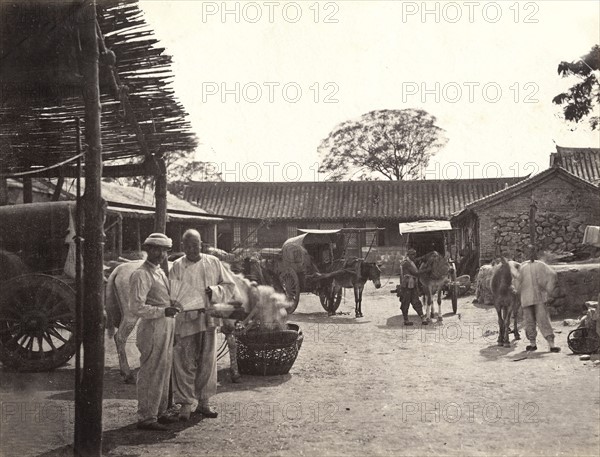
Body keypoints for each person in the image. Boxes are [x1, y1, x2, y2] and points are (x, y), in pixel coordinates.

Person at [170, 229, 237, 421]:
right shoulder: (176, 266)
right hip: (185, 320)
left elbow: (229, 286)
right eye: (187, 245)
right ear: (182, 247)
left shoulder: (213, 262)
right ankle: (185, 404)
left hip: (208, 319)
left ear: (201, 244)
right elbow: (172, 293)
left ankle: (204, 403)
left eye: (195, 245)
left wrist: (214, 291)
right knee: (184, 361)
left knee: (207, 360)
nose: (192, 249)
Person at [129, 233, 182, 431]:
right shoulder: (141, 274)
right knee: (151, 370)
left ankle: (158, 412)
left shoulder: (158, 272)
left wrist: (171, 305)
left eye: (164, 250)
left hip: (166, 324)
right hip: (151, 327)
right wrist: (162, 310)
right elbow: (136, 307)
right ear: (148, 250)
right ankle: (146, 416)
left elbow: (163, 299)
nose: (161, 254)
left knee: (164, 369)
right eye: (156, 249)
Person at [514, 253, 561, 353]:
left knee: (543, 320)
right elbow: (516, 283)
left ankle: (551, 345)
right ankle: (532, 344)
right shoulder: (522, 267)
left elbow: (552, 275)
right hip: (527, 298)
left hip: (539, 298)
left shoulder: (541, 265)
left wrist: (547, 288)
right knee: (529, 321)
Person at [399, 249, 427, 325]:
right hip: (407, 286)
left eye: (415, 254)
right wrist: (426, 270)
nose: (414, 256)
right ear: (408, 255)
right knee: (405, 303)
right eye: (412, 255)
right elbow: (415, 273)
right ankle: (406, 320)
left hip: (413, 285)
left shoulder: (411, 262)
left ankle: (422, 318)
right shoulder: (407, 263)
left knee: (416, 302)